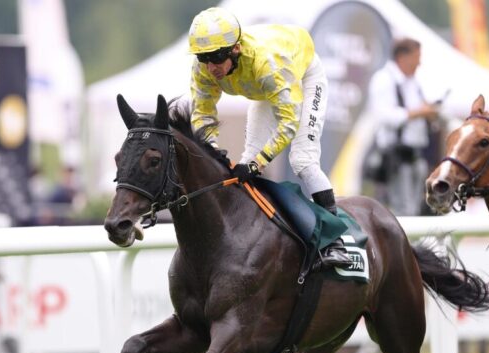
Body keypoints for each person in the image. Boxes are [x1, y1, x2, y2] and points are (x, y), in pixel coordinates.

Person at [187, 7, 352, 269]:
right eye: (203, 57)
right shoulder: (203, 69)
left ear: (235, 49)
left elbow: (289, 122)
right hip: (264, 89)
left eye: (216, 57)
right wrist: (213, 150)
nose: (210, 66)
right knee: (245, 160)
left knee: (303, 161)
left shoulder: (268, 64)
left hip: (302, 76)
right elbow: (202, 114)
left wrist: (259, 163)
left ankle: (337, 243)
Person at [365, 38, 440, 216]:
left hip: (416, 155)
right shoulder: (384, 79)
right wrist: (419, 112)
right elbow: (384, 115)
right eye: (416, 57)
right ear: (402, 57)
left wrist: (428, 111)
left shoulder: (413, 82)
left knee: (414, 208)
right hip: (396, 156)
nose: (419, 63)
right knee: (403, 209)